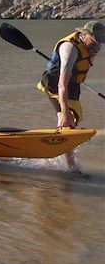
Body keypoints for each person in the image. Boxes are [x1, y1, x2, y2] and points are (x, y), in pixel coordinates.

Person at [36, 20, 103, 169]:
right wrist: (65, 112)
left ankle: (48, 160)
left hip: (73, 86)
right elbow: (62, 84)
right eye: (95, 41)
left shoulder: (91, 47)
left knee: (73, 120)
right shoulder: (69, 48)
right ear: (85, 35)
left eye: (100, 42)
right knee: (68, 121)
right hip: (55, 85)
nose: (98, 46)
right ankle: (71, 167)